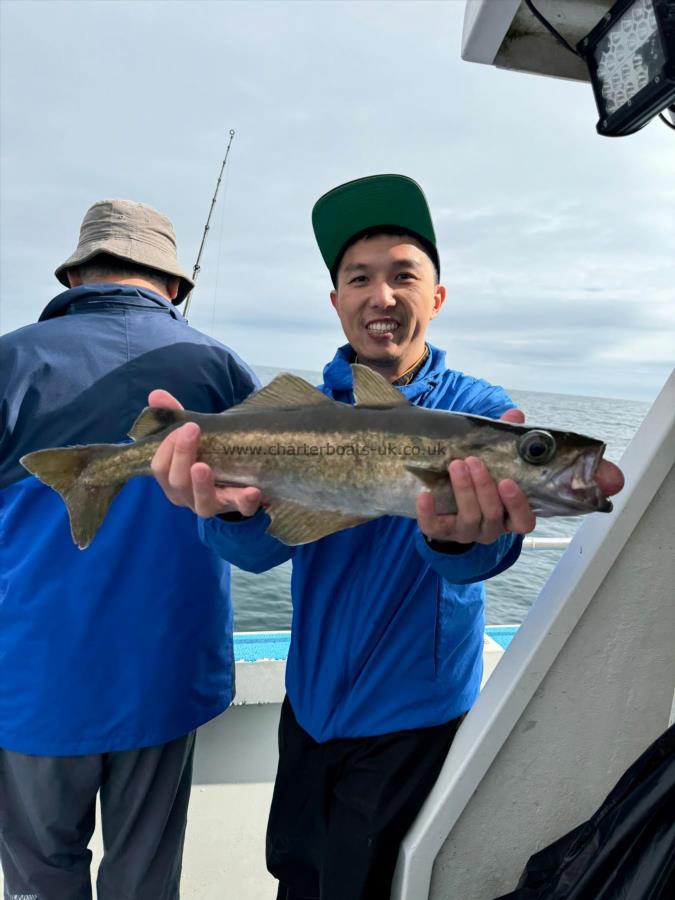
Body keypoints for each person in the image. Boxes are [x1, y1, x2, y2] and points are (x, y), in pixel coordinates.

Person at [148, 175, 625, 900]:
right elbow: (256, 553)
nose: (382, 296)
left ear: (435, 297)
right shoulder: (295, 415)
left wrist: (461, 541)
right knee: (297, 875)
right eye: (359, 278)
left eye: (404, 275)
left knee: (370, 886)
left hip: (414, 713)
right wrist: (233, 515)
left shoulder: (484, 412)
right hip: (308, 706)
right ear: (335, 301)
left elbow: (485, 560)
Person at [0, 199, 257, 900]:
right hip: (166, 677)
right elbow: (265, 518)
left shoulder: (10, 359)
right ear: (173, 286)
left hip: (33, 680)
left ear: (77, 274)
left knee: (40, 876)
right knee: (144, 879)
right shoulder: (221, 368)